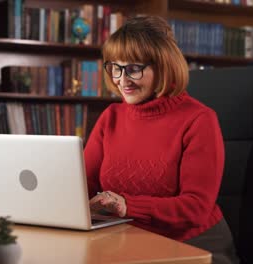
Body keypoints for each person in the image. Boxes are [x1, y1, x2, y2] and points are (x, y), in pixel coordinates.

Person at [84, 15, 239, 264]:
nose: (122, 80)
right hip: (126, 240)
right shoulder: (111, 117)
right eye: (115, 67)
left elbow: (196, 208)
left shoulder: (199, 120)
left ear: (163, 66)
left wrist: (127, 205)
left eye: (134, 68)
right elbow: (83, 185)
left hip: (192, 245)